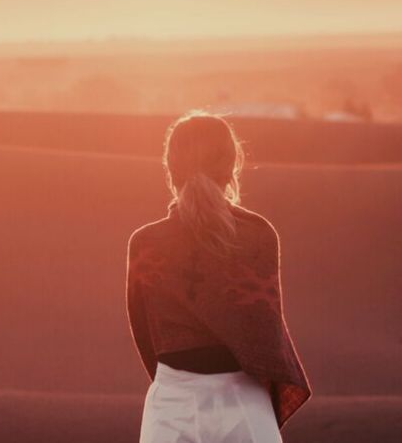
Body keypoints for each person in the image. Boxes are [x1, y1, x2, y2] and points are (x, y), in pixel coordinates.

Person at [126, 110, 312, 442]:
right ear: (231, 167)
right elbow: (264, 335)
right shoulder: (258, 236)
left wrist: (180, 381)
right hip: (244, 402)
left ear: (171, 169)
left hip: (172, 405)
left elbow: (145, 336)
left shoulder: (145, 244)